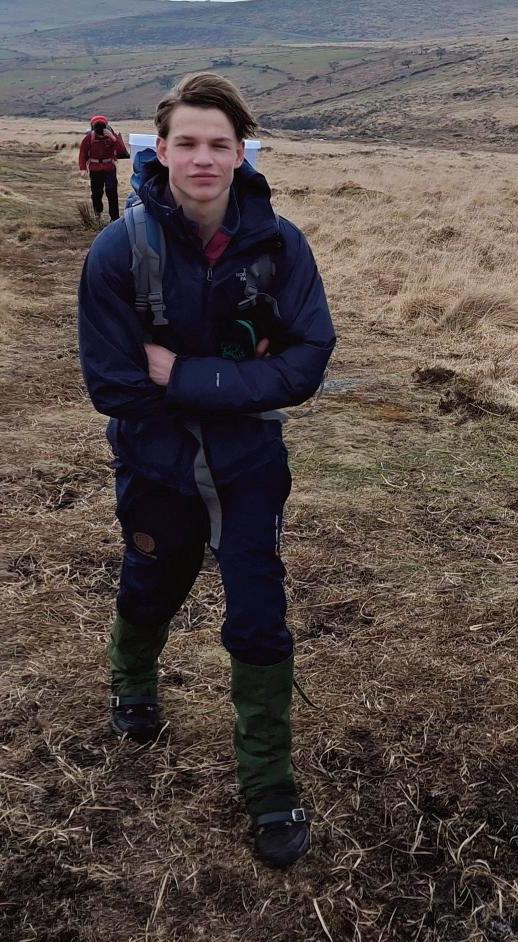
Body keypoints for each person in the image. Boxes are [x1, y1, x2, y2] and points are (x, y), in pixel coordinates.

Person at [77, 73, 336, 868]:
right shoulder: (117, 252)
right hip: (154, 463)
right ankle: (132, 681)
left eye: (218, 144)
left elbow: (308, 362)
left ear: (240, 152)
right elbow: (113, 385)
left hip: (249, 464)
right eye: (186, 142)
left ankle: (269, 785)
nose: (202, 158)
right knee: (152, 582)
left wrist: (181, 375)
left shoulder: (280, 245)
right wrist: (243, 379)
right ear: (159, 149)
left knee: (258, 614)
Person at [78, 115, 130, 222]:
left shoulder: (112, 137)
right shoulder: (89, 138)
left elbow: (122, 151)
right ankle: (98, 214)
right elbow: (83, 153)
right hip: (95, 169)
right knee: (96, 193)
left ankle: (114, 218)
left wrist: (113, 138)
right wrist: (83, 168)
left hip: (109, 168)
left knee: (112, 191)